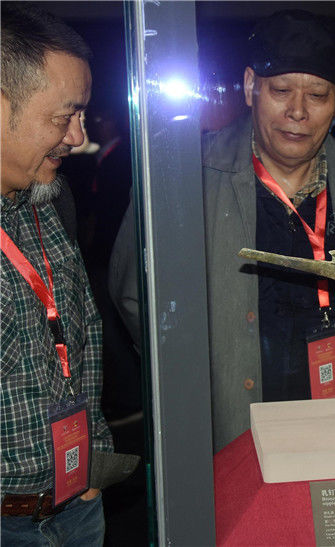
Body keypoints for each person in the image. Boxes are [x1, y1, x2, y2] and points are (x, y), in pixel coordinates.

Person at [109, 10, 335, 452]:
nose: (297, 111)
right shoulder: (184, 180)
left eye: (317, 95)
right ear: (249, 87)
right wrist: (198, 380)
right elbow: (134, 297)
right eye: (281, 90)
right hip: (227, 429)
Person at [1, 4, 112, 543]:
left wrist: (97, 457)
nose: (78, 136)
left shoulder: (50, 200)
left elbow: (80, 341)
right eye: (63, 117)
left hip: (78, 507)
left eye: (83, 116)